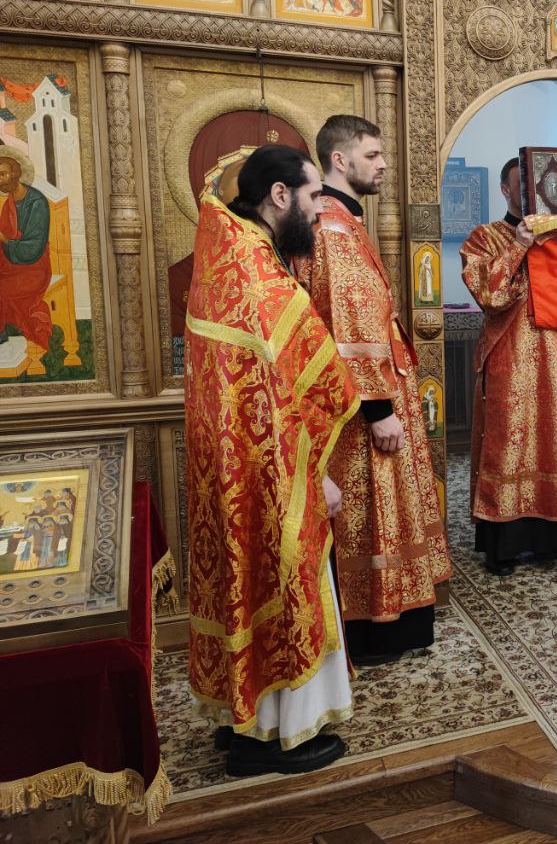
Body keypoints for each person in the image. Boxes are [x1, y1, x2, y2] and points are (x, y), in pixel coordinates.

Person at [185, 144, 358, 776]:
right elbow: (309, 383)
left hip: (232, 459)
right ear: (279, 196)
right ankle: (278, 735)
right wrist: (316, 473)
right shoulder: (258, 272)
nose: (317, 211)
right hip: (270, 466)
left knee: (241, 580)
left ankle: (241, 721)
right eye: (312, 197)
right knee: (283, 584)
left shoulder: (225, 255)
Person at [295, 115, 452, 666]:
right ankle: (376, 625)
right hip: (362, 403)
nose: (383, 164)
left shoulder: (344, 222)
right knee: (372, 510)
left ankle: (392, 616)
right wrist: (379, 409)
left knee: (387, 507)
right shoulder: (333, 229)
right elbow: (350, 320)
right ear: (339, 161)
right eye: (372, 155)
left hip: (373, 390)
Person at [460, 156, 557, 575]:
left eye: (539, 184)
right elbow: (490, 296)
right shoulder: (484, 237)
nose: (534, 192)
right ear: (505, 189)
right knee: (509, 443)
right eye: (523, 185)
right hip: (510, 358)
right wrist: (519, 245)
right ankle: (503, 546)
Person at [0, 146, 52, 374]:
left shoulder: (37, 202)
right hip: (11, 264)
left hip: (33, 267)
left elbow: (33, 248)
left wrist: (4, 240)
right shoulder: (9, 202)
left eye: (2, 174)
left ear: (16, 173)